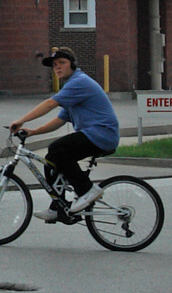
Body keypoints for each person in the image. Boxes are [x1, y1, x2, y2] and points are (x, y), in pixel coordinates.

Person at [7, 46, 121, 221]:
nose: (57, 67)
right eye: (54, 65)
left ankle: (87, 190)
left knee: (58, 149)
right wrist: (33, 132)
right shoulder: (72, 87)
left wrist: (22, 120)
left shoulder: (79, 82)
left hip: (101, 134)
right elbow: (60, 120)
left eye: (62, 63)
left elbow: (50, 103)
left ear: (72, 65)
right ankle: (59, 208)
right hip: (94, 135)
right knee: (51, 161)